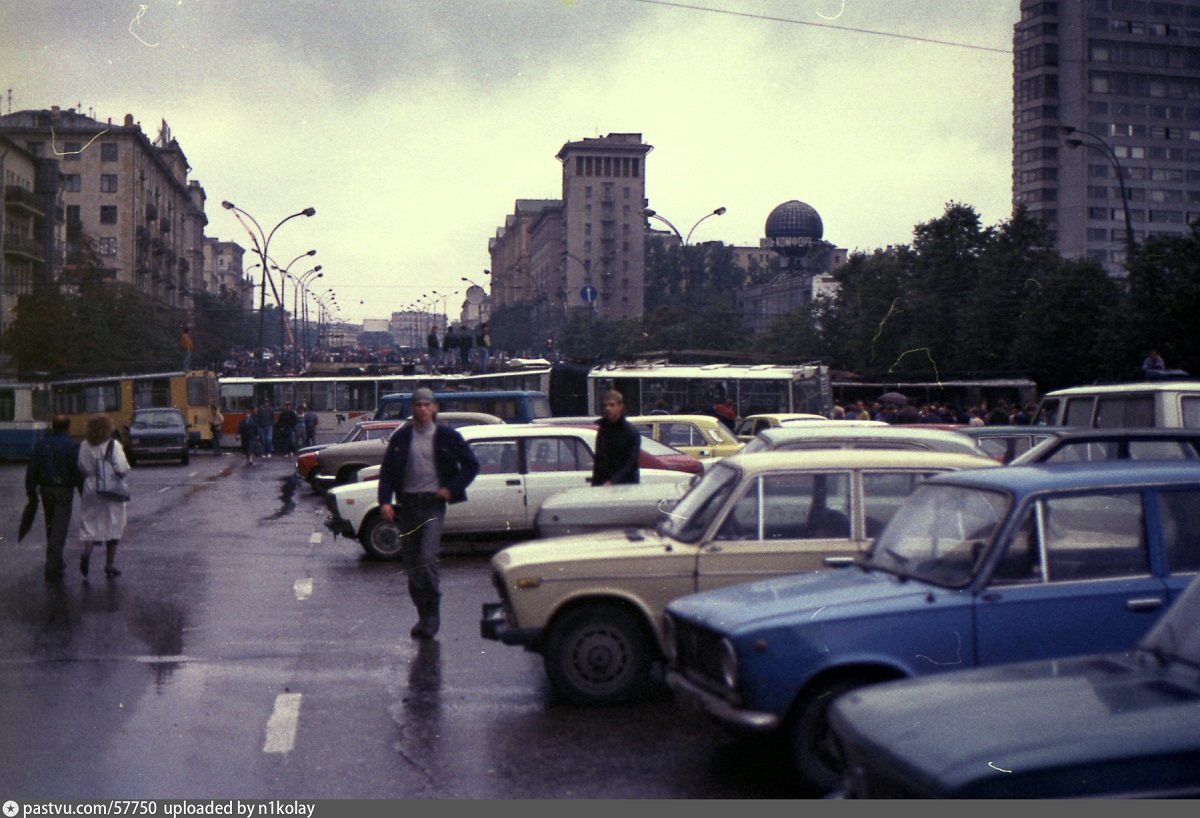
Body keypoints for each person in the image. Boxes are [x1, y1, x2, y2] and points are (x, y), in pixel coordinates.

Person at [377, 388, 479, 639]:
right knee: (411, 563)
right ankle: (422, 615)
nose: (422, 409)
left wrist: (451, 489)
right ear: (412, 409)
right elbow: (388, 471)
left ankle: (433, 616)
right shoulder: (402, 437)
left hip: (433, 504)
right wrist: (385, 502)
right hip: (408, 505)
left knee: (427, 557)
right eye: (417, 405)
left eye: (426, 404)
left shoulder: (447, 436)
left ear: (434, 408)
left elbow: (471, 465)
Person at [25, 414, 83, 581]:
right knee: (60, 528)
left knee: (50, 525)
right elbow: (76, 471)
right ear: (68, 428)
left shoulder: (41, 443)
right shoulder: (71, 445)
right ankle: (52, 564)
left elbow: (32, 469)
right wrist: (82, 492)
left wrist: (31, 491)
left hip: (45, 489)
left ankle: (56, 560)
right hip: (64, 490)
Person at [77, 414, 130, 579]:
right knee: (114, 523)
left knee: (91, 522)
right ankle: (109, 565)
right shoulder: (113, 445)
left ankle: (87, 551)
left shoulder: (84, 445)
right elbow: (122, 468)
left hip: (91, 486)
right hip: (110, 487)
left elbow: (81, 466)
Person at [592, 390, 641, 486]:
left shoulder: (630, 431)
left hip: (626, 485)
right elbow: (599, 460)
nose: (607, 408)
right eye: (605, 405)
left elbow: (631, 462)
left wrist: (612, 481)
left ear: (621, 406)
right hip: (603, 485)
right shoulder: (603, 429)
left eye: (612, 405)